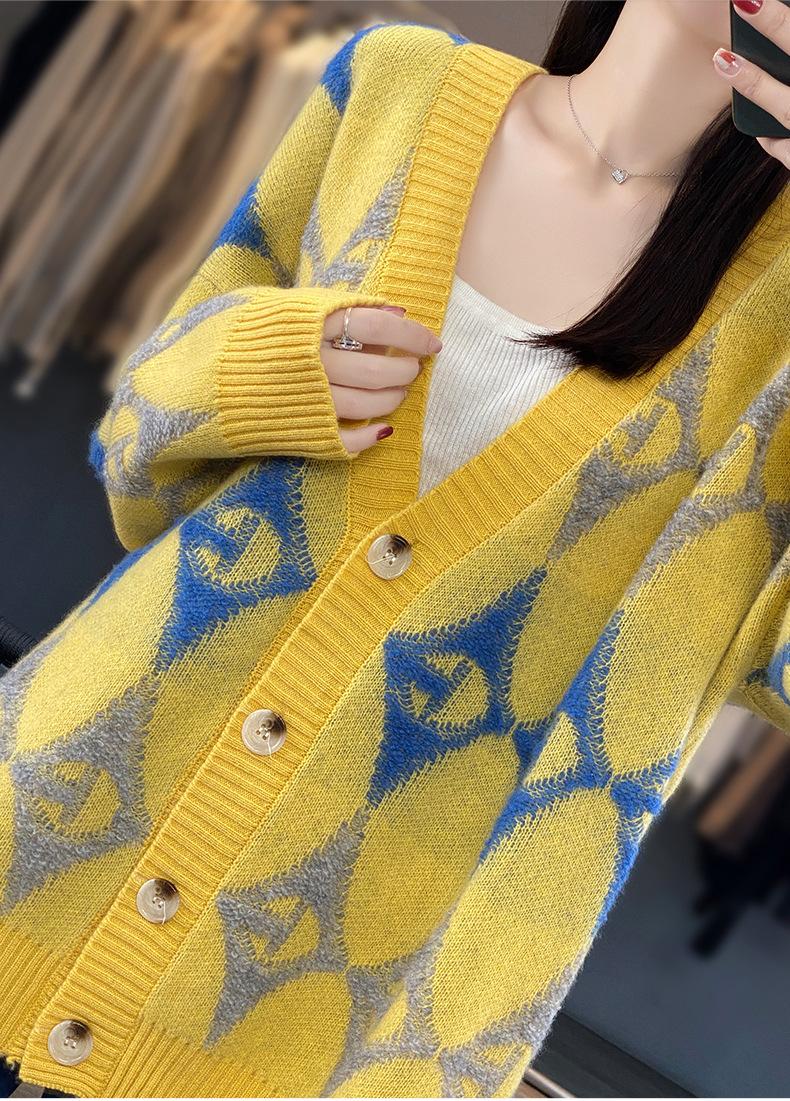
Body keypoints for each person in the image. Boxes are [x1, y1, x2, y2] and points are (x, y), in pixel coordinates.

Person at [0, 1, 788, 1097]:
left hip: (322, 1031)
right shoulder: (394, 85)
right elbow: (139, 451)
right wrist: (262, 368)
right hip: (43, 822)